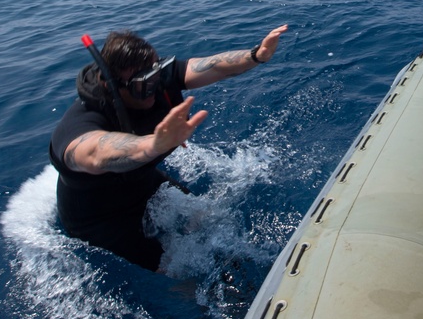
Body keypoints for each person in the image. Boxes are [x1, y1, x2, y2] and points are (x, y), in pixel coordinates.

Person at [49, 24, 289, 271]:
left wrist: (255, 56)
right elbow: (96, 153)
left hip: (143, 184)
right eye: (144, 85)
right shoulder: (80, 122)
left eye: (156, 77)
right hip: (102, 217)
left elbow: (213, 66)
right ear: (113, 86)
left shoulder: (152, 79)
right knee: (177, 272)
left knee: (207, 219)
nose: (154, 89)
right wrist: (151, 144)